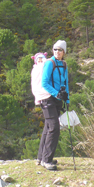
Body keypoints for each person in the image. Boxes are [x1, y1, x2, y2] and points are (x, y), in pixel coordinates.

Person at [37, 40, 69, 171]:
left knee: (48, 127)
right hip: (47, 98)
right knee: (54, 127)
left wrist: (66, 99)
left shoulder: (64, 64)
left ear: (64, 52)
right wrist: (57, 94)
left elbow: (66, 82)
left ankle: (41, 157)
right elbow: (44, 83)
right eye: (55, 49)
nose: (57, 52)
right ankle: (47, 160)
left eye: (60, 50)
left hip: (57, 99)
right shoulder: (50, 63)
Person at [30, 52, 50, 164]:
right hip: (45, 96)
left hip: (42, 97)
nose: (41, 60)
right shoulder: (38, 68)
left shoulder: (36, 69)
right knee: (50, 127)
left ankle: (41, 156)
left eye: (43, 58)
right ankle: (44, 157)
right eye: (39, 59)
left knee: (47, 127)